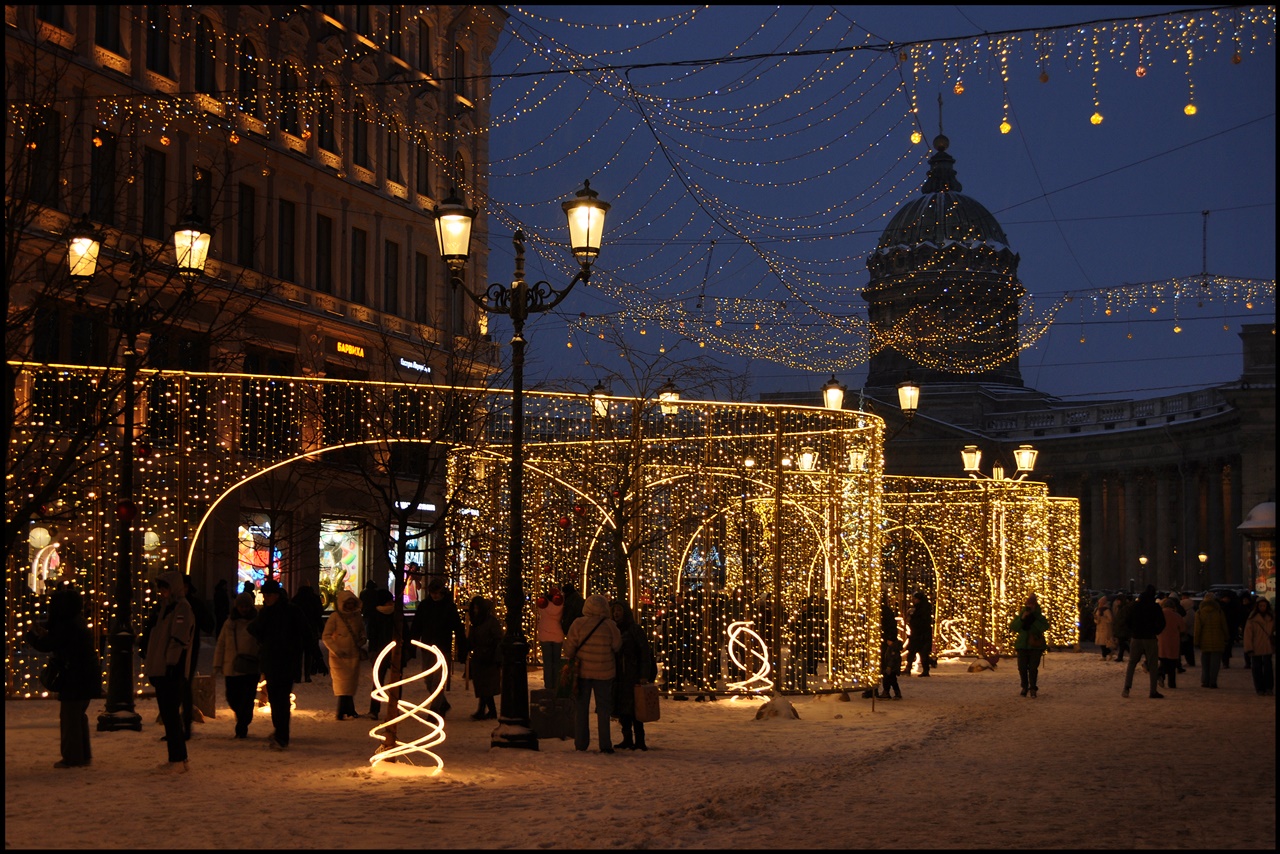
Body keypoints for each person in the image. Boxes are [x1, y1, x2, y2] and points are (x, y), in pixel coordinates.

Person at [23, 584, 102, 768]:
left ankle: (72, 757)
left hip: (74, 677)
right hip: (84, 676)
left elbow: (47, 644)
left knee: (70, 718)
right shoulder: (76, 621)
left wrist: (31, 635)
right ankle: (82, 754)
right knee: (78, 716)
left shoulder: (67, 625)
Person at [143, 570, 195, 771]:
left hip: (170, 670)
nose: (161, 592)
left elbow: (178, 639)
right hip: (163, 668)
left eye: (164, 588)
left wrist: (171, 664)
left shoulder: (180, 608)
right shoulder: (167, 608)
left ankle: (178, 759)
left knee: (171, 715)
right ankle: (178, 758)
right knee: (169, 715)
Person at [248, 579, 309, 749]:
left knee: (280, 699)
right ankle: (280, 732)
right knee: (276, 699)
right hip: (273, 661)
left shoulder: (287, 611)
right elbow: (253, 628)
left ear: (277, 595)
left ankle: (282, 735)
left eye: (269, 595)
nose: (266, 598)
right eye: (265, 595)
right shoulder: (269, 612)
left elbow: (305, 632)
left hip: (285, 661)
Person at [562, 593, 622, 753]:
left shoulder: (578, 623)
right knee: (604, 709)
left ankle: (581, 743)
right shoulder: (610, 625)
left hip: (583, 672)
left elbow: (569, 648)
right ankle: (605, 743)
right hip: (604, 671)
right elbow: (617, 645)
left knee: (581, 708)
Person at [408, 577, 467, 715]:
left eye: (437, 593)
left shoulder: (449, 607)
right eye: (432, 593)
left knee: (438, 681)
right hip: (427, 647)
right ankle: (442, 703)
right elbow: (417, 626)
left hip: (443, 648)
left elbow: (458, 628)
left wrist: (462, 648)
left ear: (442, 592)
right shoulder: (425, 606)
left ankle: (435, 709)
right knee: (428, 680)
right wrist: (411, 646)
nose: (434, 595)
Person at [212, 590, 260, 739]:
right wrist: (217, 664)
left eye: (246, 606)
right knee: (232, 697)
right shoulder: (229, 623)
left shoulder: (256, 623)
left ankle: (242, 725)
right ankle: (242, 718)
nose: (244, 609)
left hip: (250, 667)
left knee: (247, 699)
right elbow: (221, 644)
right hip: (232, 666)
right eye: (241, 606)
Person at [611, 598, 657, 750]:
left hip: (633, 674)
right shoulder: (613, 629)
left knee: (637, 707)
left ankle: (640, 739)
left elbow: (644, 653)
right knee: (623, 709)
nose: (616, 613)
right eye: (614, 611)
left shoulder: (634, 629)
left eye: (619, 610)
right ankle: (627, 738)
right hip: (619, 676)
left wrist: (644, 674)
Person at [323, 588, 368, 720]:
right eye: (347, 603)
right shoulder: (335, 617)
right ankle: (343, 710)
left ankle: (347, 709)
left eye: (352, 603)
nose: (350, 606)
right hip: (339, 657)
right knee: (342, 685)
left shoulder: (357, 617)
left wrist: (362, 639)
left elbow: (362, 631)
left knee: (350, 684)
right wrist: (336, 649)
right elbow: (326, 636)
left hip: (353, 654)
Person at [180, 575, 216, 740]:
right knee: (176, 687)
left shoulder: (192, 604)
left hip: (188, 649)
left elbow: (209, 624)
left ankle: (185, 726)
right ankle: (178, 726)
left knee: (183, 685)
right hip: (176, 650)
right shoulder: (171, 603)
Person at [1122, 585, 1165, 699]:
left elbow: (1127, 620)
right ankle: (1153, 691)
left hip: (1136, 637)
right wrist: (1155, 631)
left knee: (1132, 663)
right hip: (1150, 637)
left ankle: (1126, 688)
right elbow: (1162, 622)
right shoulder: (1155, 607)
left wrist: (1133, 631)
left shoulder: (1135, 606)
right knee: (1153, 664)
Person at [466, 595, 503, 721]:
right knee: (483, 686)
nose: (475, 610)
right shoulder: (476, 622)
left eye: (477, 608)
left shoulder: (490, 622)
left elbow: (498, 639)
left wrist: (495, 655)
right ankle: (488, 710)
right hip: (479, 656)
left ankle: (485, 710)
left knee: (486, 686)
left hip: (489, 657)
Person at [1010, 593, 1050, 698]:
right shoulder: (1021, 615)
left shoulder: (1039, 616)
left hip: (1035, 646)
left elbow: (1044, 627)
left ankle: (1032, 688)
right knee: (1022, 668)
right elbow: (1014, 627)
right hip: (1022, 645)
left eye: (1032, 604)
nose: (1030, 606)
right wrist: (1022, 619)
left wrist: (1034, 620)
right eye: (1028, 604)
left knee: (1033, 668)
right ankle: (1024, 686)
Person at [366, 589, 396, 718]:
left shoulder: (375, 614)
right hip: (384, 650)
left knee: (385, 681)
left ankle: (378, 709)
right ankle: (384, 709)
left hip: (386, 650)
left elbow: (371, 633)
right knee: (382, 681)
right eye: (389, 601)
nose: (391, 603)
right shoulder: (395, 614)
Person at [291, 581, 326, 681]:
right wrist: (321, 628)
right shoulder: (315, 598)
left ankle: (297, 676)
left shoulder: (296, 598)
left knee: (298, 654)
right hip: (312, 628)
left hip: (298, 630)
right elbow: (319, 614)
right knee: (309, 652)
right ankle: (307, 675)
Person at [1194, 591, 1229, 689]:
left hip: (1204, 640)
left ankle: (1205, 681)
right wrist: (1226, 637)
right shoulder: (1219, 611)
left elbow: (1197, 629)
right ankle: (1213, 682)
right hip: (1218, 640)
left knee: (1205, 663)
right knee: (1215, 663)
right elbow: (1224, 626)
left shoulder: (1200, 612)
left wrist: (1196, 641)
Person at [1242, 597, 1275, 696]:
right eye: (1261, 606)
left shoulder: (1271, 617)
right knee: (1257, 669)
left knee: (1268, 669)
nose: (1262, 607)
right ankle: (1260, 688)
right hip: (1256, 647)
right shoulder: (1252, 619)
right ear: (1257, 606)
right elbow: (1248, 635)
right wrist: (1249, 648)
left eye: (1264, 605)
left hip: (1268, 646)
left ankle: (1268, 687)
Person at [537, 586, 565, 691]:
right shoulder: (561, 605)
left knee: (547, 662)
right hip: (557, 634)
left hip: (545, 634)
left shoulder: (543, 605)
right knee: (556, 662)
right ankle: (556, 683)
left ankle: (548, 684)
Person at [1156, 595, 1185, 690]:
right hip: (1173, 641)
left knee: (1163, 660)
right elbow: (1182, 629)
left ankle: (1161, 674)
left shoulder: (1159, 615)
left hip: (1161, 640)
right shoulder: (1177, 615)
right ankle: (1172, 683)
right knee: (1172, 663)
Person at [906, 590, 934, 677]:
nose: (913, 600)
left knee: (918, 652)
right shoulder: (923, 608)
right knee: (920, 652)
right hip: (921, 634)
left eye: (914, 599)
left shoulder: (920, 609)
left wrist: (912, 618)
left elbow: (919, 621)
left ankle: (911, 668)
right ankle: (921, 669)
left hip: (919, 634)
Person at [879, 625, 904, 700]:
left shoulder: (893, 649)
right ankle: (896, 693)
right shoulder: (892, 648)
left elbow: (892, 659)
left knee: (888, 680)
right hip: (893, 668)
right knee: (893, 681)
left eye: (888, 641)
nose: (887, 642)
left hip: (892, 668)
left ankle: (886, 692)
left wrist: (889, 667)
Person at [1111, 592, 1133, 663]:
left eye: (1118, 600)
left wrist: (1119, 623)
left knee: (1123, 643)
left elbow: (1124, 618)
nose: (1117, 602)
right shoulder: (1121, 608)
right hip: (1121, 628)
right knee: (1122, 643)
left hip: (1123, 628)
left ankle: (1125, 655)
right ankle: (1121, 656)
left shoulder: (1124, 608)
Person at [1179, 593, 1198, 668]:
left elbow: (1186, 623)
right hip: (1190, 632)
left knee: (1188, 649)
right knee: (1188, 649)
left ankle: (1190, 662)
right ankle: (1190, 661)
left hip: (1188, 633)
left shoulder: (1188, 613)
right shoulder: (1191, 611)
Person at [1093, 596, 1114, 660]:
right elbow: (1096, 618)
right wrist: (1096, 619)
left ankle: (1106, 654)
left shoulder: (1106, 610)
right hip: (1099, 628)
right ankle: (1107, 654)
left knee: (1104, 643)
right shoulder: (1097, 609)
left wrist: (1103, 619)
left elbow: (1110, 619)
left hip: (1105, 628)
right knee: (1101, 643)